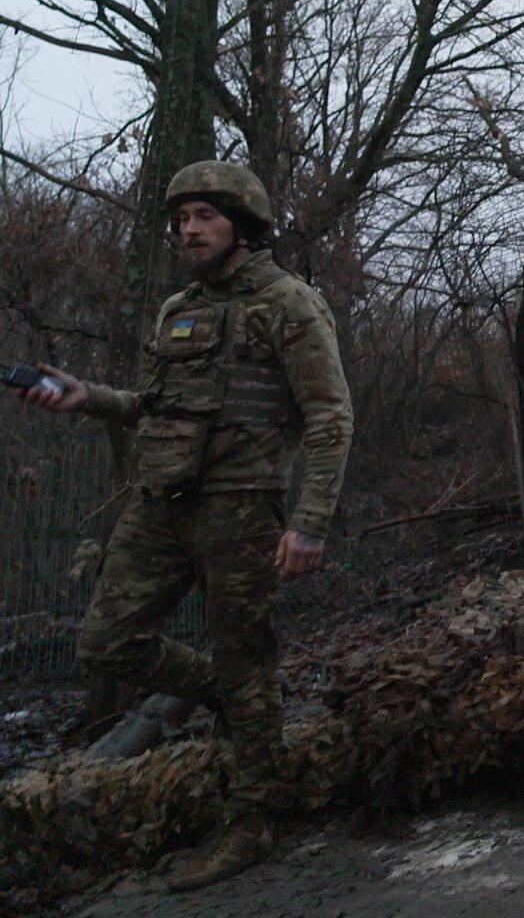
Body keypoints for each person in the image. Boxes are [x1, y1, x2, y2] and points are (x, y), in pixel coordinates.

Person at [17, 160, 353, 890]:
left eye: (204, 216)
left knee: (249, 657)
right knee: (106, 639)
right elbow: (157, 403)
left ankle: (253, 822)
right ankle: (226, 692)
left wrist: (309, 522)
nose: (188, 229)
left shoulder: (286, 304)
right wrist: (89, 397)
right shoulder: (180, 309)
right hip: (161, 501)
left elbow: (330, 417)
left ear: (243, 224)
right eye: (181, 219)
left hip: (242, 508)